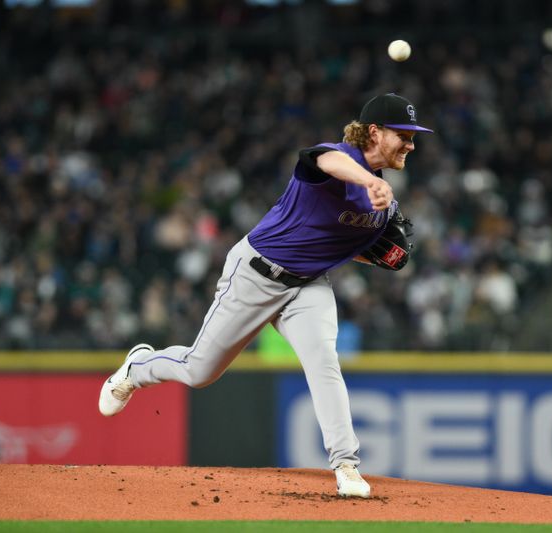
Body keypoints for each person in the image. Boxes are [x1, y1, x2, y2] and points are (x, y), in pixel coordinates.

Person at [99, 93, 433, 498]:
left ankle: (346, 466)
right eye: (404, 135)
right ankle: (138, 369)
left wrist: (379, 250)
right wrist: (369, 180)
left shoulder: (384, 204)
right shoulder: (336, 159)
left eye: (414, 137)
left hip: (308, 285)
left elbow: (348, 243)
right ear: (374, 132)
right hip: (256, 273)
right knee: (200, 371)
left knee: (324, 362)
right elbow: (317, 160)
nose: (411, 145)